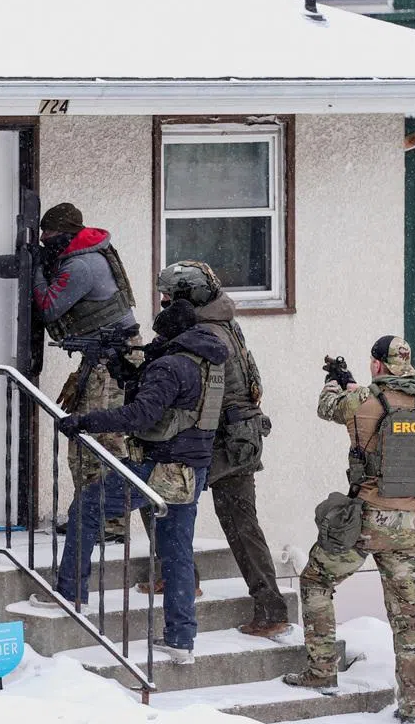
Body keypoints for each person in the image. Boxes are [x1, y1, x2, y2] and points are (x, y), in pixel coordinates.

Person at [30, 299, 227, 664]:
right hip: (191, 471)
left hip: (159, 467)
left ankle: (71, 593)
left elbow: (140, 415)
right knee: (177, 553)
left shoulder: (171, 366)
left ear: (168, 333)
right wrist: (126, 368)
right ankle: (181, 640)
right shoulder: (208, 361)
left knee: (87, 507)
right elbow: (168, 402)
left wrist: (86, 421)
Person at [283, 336, 415, 724]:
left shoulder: (362, 401)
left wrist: (335, 384)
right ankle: (413, 705)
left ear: (376, 365)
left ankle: (322, 670)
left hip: (368, 520)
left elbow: (327, 408)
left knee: (316, 580)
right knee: (408, 616)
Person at [0, 202, 138, 539]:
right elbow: (23, 267)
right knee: (91, 440)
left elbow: (48, 305)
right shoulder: (72, 253)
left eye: (48, 233)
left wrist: (36, 267)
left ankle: (106, 523)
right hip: (101, 359)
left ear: (65, 234)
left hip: (111, 362)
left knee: (98, 442)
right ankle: (96, 519)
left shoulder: (83, 265)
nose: (43, 238)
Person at [134, 261, 289, 638]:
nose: (164, 303)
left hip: (218, 437)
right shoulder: (226, 322)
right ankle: (270, 608)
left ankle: (179, 579)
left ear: (188, 298)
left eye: (169, 297)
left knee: (159, 497)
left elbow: (194, 388)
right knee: (240, 523)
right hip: (242, 434)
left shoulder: (201, 332)